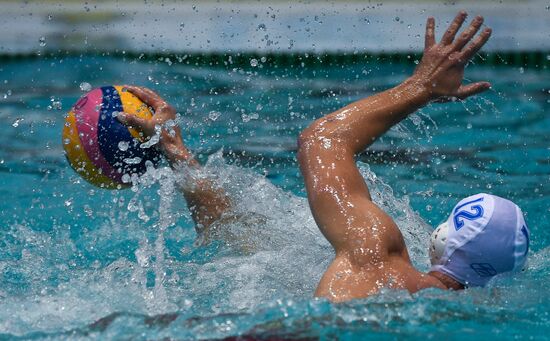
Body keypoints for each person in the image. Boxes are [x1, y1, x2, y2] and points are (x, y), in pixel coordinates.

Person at [117, 11, 530, 303]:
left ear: (441, 240)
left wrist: (422, 86)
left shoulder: (376, 258)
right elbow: (234, 236)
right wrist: (178, 155)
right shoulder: (476, 314)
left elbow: (322, 139)